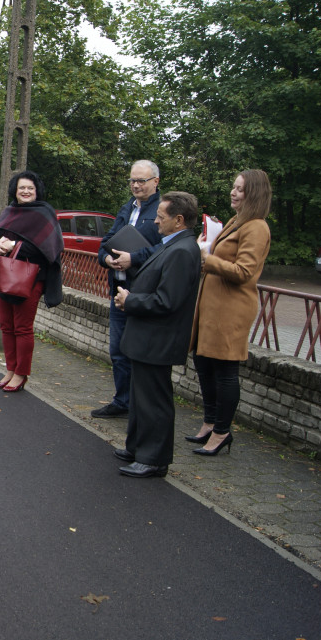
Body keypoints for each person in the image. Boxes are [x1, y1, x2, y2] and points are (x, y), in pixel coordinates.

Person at [112, 191, 202, 478]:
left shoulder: (182, 251)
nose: (156, 222)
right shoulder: (171, 245)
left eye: (161, 218)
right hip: (147, 337)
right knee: (141, 397)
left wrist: (130, 301)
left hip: (158, 338)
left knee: (154, 401)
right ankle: (138, 446)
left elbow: (167, 301)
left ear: (179, 220)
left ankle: (154, 458)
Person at [187, 170, 272, 456]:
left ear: (254, 193)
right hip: (212, 307)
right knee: (203, 362)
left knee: (224, 370)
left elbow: (245, 272)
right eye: (233, 187)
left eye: (240, 189)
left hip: (231, 309)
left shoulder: (256, 227)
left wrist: (209, 259)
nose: (233, 193)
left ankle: (222, 432)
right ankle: (210, 423)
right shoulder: (237, 221)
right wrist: (207, 246)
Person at [91, 160, 165, 418]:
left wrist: (134, 258)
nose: (135, 185)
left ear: (155, 182)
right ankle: (123, 401)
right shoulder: (127, 208)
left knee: (139, 352)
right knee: (118, 351)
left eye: (141, 181)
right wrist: (108, 260)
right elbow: (105, 243)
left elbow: (167, 248)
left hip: (143, 291)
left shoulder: (163, 210)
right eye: (132, 180)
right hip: (119, 288)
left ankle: (140, 406)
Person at [0, 170, 64, 392]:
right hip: (6, 277)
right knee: (6, 326)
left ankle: (21, 374)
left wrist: (14, 246)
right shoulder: (9, 210)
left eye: (30, 188)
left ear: (36, 190)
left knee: (22, 328)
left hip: (31, 279)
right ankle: (11, 369)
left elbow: (47, 250)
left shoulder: (44, 213)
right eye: (22, 187)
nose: (25, 191)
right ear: (15, 190)